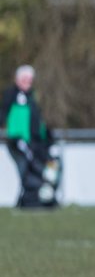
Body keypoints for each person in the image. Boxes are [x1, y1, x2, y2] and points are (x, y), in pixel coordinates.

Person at [1, 64, 55, 209]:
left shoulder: (33, 96)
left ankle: (42, 199)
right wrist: (15, 137)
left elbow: (37, 121)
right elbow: (5, 115)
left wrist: (47, 136)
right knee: (26, 169)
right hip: (19, 141)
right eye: (25, 79)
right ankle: (27, 201)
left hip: (35, 142)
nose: (28, 82)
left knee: (46, 168)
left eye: (30, 79)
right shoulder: (11, 94)